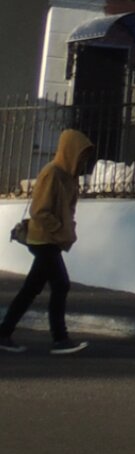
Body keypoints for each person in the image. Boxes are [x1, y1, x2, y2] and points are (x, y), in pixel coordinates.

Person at [1, 128, 96, 355]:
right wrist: (60, 229)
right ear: (70, 151)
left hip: (50, 240)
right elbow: (40, 210)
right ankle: (60, 338)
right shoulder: (52, 173)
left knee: (31, 289)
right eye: (81, 154)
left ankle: (4, 333)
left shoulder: (67, 176)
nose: (83, 160)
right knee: (61, 284)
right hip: (43, 239)